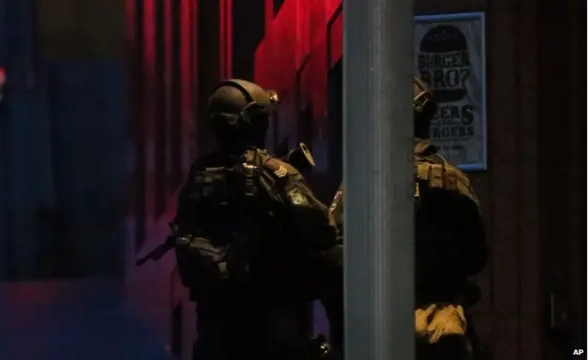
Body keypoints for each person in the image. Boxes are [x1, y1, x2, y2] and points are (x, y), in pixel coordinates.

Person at [166, 79, 343, 360]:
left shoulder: (199, 174)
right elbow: (325, 234)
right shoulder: (275, 173)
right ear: (255, 122)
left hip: (215, 333)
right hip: (270, 332)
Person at [328, 78, 488, 360]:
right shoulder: (452, 181)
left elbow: (334, 252)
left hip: (379, 326)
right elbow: (477, 256)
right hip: (439, 325)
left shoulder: (361, 180)